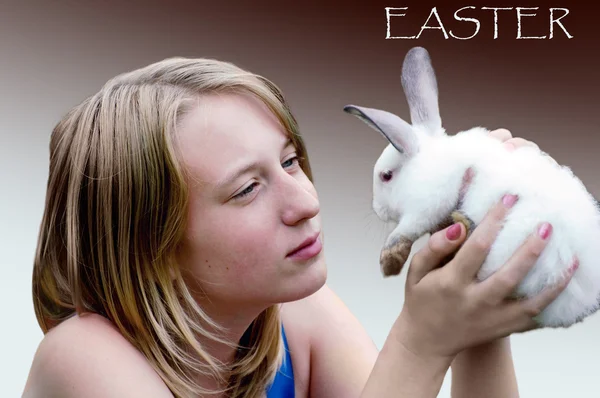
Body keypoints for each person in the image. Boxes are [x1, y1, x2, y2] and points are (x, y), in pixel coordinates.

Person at [21, 56, 575, 398]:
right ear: (151, 245)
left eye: (289, 162)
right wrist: (419, 345)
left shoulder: (295, 321)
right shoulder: (82, 358)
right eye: (247, 189)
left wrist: (478, 312)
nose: (306, 201)